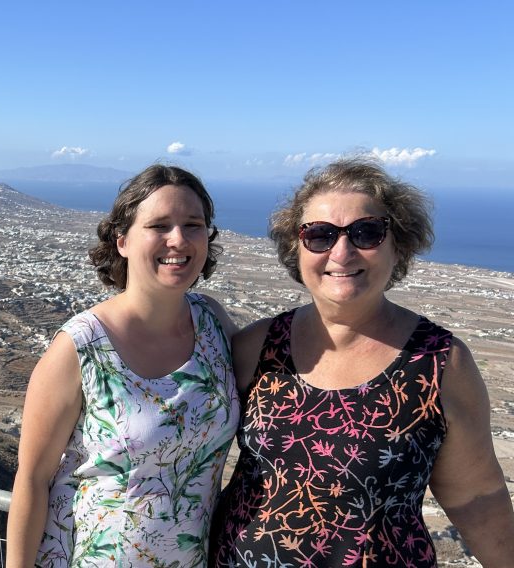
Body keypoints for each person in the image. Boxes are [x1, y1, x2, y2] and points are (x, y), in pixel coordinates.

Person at [210, 157, 514, 567]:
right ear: (296, 249)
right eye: (319, 235)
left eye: (366, 232)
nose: (342, 251)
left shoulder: (439, 363)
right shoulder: (257, 347)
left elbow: (478, 498)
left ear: (398, 245)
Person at [6, 164, 240, 567]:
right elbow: (32, 480)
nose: (178, 239)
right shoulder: (81, 347)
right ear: (123, 241)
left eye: (193, 224)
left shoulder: (213, 322)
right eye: (159, 225)